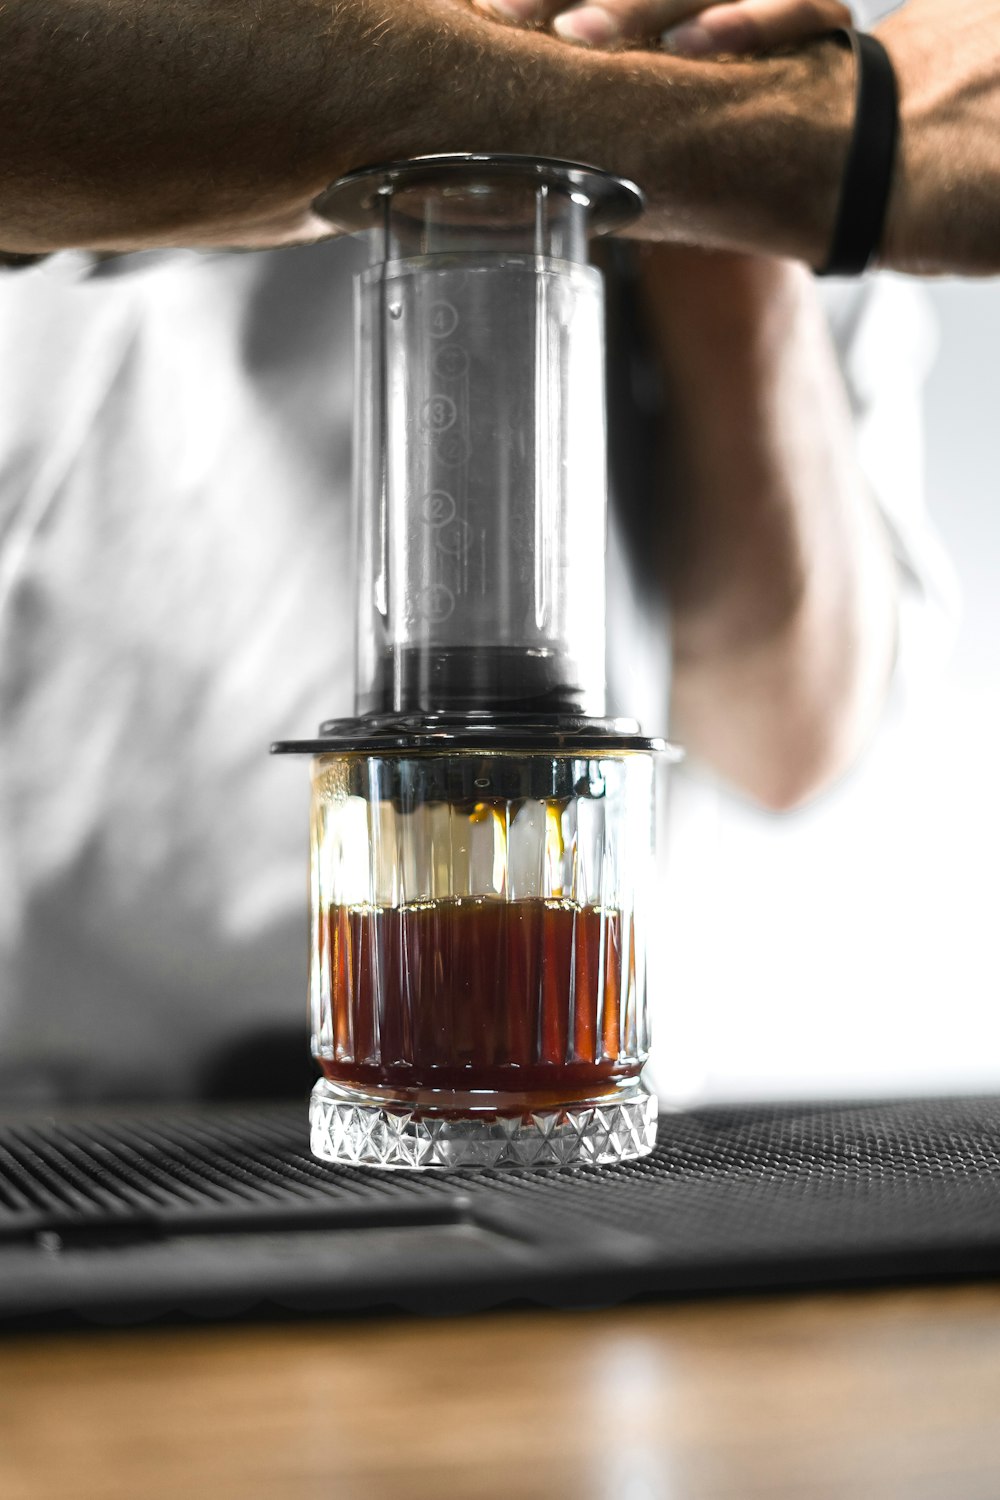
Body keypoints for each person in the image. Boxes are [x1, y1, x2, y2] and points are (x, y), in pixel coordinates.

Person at [0, 0, 953, 1103]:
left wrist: (717, 181)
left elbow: (784, 739)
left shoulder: (720, 58)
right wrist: (710, 131)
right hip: (53, 1109)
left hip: (528, 1077)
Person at [0, 0, 997, 274]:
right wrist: (825, 144)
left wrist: (693, 108)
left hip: (569, 789)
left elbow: (785, 729)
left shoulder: (767, 43)